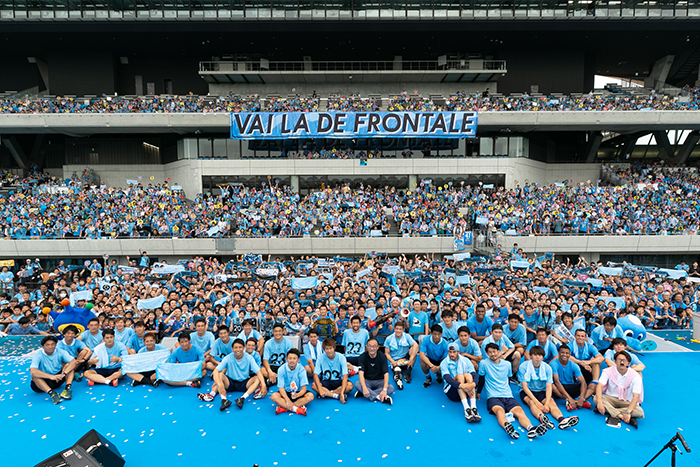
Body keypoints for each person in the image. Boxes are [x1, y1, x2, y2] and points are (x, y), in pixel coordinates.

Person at [477, 343, 548, 440]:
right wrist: (478, 392)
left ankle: (531, 428)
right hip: (493, 396)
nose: (492, 354)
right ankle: (507, 426)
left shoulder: (507, 364)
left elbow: (508, 379)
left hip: (508, 395)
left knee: (520, 412)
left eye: (494, 351)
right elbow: (481, 378)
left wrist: (508, 392)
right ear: (487, 353)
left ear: (498, 352)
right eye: (490, 352)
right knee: (499, 411)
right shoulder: (484, 363)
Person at [518, 346, 579, 431]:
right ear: (531, 356)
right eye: (535, 355)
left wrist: (546, 403)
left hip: (541, 390)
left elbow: (549, 386)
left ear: (543, 357)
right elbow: (525, 387)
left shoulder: (547, 368)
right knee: (531, 402)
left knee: (551, 402)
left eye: (539, 355)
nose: (537, 357)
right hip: (528, 391)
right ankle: (542, 418)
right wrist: (537, 402)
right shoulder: (523, 367)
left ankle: (562, 420)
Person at [198, 338, 266, 411]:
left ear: (244, 348)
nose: (238, 349)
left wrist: (264, 385)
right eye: (235, 347)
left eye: (240, 347)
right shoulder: (228, 357)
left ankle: (242, 398)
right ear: (232, 349)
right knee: (220, 375)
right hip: (230, 382)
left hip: (244, 383)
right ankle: (220, 398)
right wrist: (219, 384)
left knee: (258, 378)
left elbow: (258, 371)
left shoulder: (249, 358)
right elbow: (216, 371)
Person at [595, 350, 644, 429]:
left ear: (628, 363)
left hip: (627, 402)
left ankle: (608, 410)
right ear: (615, 361)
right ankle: (621, 416)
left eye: (624, 360)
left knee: (639, 411)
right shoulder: (608, 371)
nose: (622, 362)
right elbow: (599, 386)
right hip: (611, 399)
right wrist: (600, 403)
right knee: (596, 399)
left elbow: (636, 397)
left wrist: (628, 412)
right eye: (619, 360)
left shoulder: (635, 376)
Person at [29, 335, 78, 404]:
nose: (50, 347)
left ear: (55, 345)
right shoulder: (38, 356)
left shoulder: (61, 352)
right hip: (42, 383)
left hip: (58, 379)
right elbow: (33, 371)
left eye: (52, 344)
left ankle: (67, 389)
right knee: (35, 376)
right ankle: (52, 394)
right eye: (47, 345)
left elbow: (74, 362)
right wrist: (51, 377)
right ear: (43, 347)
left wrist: (64, 373)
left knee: (69, 366)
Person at [440, 342, 481, 422]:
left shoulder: (466, 360)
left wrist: (472, 384)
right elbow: (448, 379)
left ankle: (473, 408)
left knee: (468, 375)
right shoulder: (444, 363)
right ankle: (466, 409)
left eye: (454, 352)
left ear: (458, 352)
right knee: (460, 376)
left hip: (467, 391)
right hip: (452, 392)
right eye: (450, 352)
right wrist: (463, 386)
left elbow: (474, 375)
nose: (452, 354)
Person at [271, 348, 314, 416]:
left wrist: (297, 395)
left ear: (298, 360)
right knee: (274, 396)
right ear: (286, 359)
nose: (292, 361)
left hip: (298, 393)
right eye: (290, 358)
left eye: (294, 358)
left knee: (310, 396)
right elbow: (281, 388)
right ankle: (296, 409)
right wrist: (287, 400)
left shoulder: (302, 370)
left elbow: (304, 389)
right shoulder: (281, 369)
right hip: (286, 392)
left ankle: (284, 408)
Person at [550, 345, 594, 411]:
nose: (564, 354)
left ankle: (578, 401)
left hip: (571, 386)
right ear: (558, 353)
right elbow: (556, 381)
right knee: (551, 386)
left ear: (570, 354)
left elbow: (583, 382)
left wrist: (581, 398)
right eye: (562, 352)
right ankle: (569, 400)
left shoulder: (574, 365)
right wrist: (569, 398)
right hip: (560, 388)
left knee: (593, 386)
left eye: (567, 353)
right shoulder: (553, 363)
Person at [311, 338, 352, 403]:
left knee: (349, 386)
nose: (329, 351)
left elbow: (345, 375)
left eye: (330, 348)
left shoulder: (341, 357)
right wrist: (320, 389)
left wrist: (341, 392)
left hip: (338, 381)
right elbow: (315, 375)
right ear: (324, 349)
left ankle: (327, 394)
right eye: (327, 349)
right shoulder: (320, 358)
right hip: (326, 381)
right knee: (313, 385)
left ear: (334, 348)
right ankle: (335, 396)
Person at [355, 337, 393, 404]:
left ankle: (365, 393)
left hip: (380, 381)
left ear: (378, 347)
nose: (372, 348)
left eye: (374, 346)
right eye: (369, 346)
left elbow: (386, 373)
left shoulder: (382, 356)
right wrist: (364, 388)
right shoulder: (362, 357)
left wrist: (384, 390)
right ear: (366, 346)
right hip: (368, 381)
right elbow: (361, 373)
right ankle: (378, 397)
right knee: (357, 384)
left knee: (390, 388)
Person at [384, 321, 419, 390]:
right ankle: (398, 380)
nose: (398, 331)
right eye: (397, 329)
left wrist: (411, 360)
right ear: (394, 329)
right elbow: (386, 353)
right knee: (397, 371)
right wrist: (392, 361)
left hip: (406, 358)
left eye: (400, 329)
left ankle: (408, 372)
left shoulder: (407, 336)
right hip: (395, 360)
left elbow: (416, 345)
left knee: (414, 349)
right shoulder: (389, 339)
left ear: (403, 330)